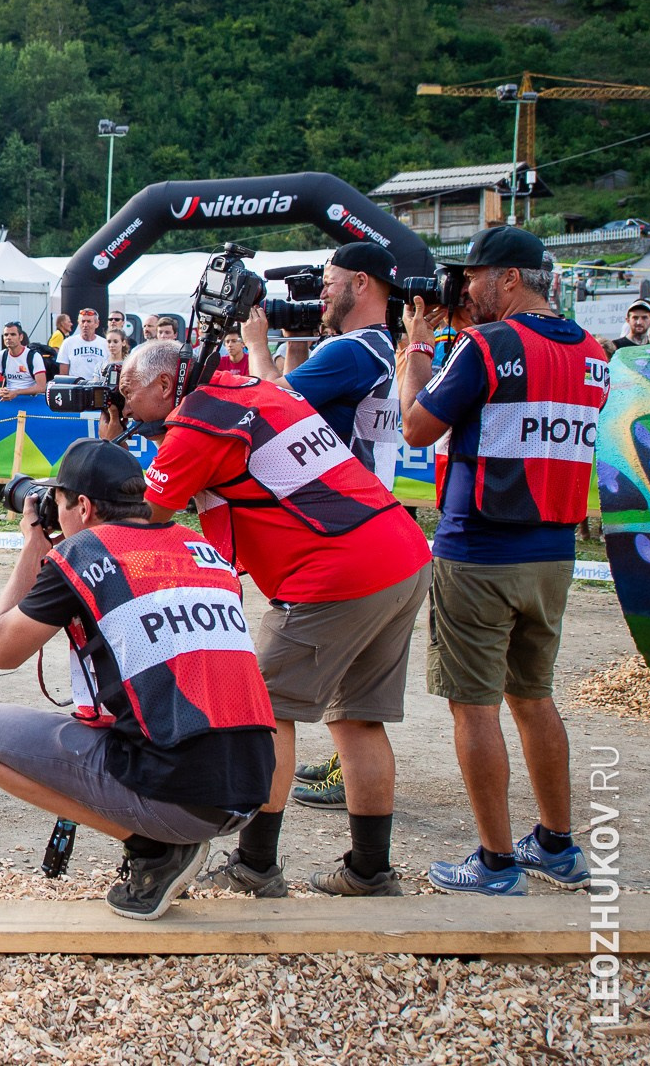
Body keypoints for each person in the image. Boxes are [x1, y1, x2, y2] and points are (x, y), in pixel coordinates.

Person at [103, 338, 432, 900]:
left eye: (129, 392)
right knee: (357, 720)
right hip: (401, 553)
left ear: (164, 386)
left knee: (265, 714)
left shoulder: (196, 429)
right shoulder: (251, 390)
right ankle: (370, 871)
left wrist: (111, 448)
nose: (123, 404)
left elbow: (143, 520)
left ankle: (255, 863)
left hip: (334, 574)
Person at [0, 439, 275, 920]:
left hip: (184, 797)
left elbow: (3, 649)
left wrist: (33, 546)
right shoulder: (200, 547)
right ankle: (164, 840)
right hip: (253, 788)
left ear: (83, 506)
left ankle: (154, 848)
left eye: (60, 503)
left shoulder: (85, 552)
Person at [397, 226, 608, 896]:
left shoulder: (488, 344)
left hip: (480, 548)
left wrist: (416, 350)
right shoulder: (593, 349)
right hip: (554, 551)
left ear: (509, 278)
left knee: (475, 707)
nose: (466, 289)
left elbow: (415, 426)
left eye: (475, 277)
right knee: (534, 697)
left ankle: (493, 862)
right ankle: (557, 842)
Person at [241, 243, 404, 490]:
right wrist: (296, 344)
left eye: (328, 284)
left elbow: (271, 399)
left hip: (347, 498)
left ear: (361, 283)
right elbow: (297, 406)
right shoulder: (378, 342)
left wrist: (255, 343)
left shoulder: (350, 350)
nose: (322, 294)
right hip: (369, 493)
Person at [0, 324, 49, 401]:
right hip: (8, 400)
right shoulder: (1, 356)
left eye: (13, 334)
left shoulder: (34, 356)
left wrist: (17, 392)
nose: (8, 338)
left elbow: (41, 387)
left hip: (30, 400)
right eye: (6, 335)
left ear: (21, 337)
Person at [56, 309, 109, 382]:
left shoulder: (105, 344)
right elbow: (63, 374)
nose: (85, 325)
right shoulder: (68, 343)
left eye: (89, 321)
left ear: (97, 323)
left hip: (98, 388)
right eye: (83, 321)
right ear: (78, 323)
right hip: (76, 388)